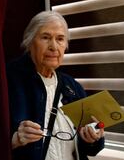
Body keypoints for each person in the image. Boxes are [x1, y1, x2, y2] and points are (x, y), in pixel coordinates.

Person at [6, 10, 105, 160]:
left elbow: (90, 149)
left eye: (60, 39)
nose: (53, 46)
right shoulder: (8, 80)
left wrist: (92, 138)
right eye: (45, 37)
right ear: (30, 42)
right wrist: (15, 140)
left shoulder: (72, 87)